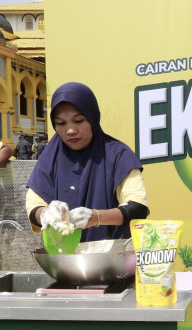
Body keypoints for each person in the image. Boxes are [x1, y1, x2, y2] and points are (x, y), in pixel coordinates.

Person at [26, 82, 149, 241]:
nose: (70, 130)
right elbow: (34, 205)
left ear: (92, 118)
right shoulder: (50, 157)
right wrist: (45, 213)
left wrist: (96, 217)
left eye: (78, 120)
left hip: (112, 258)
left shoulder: (118, 155)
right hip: (62, 257)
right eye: (61, 123)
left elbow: (138, 208)